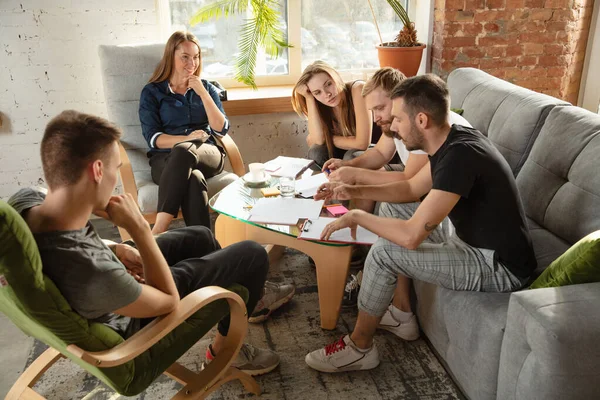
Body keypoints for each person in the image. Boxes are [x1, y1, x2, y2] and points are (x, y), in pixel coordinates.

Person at [9, 110, 281, 376]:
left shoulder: (26, 201)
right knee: (252, 254)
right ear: (98, 171)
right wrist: (139, 230)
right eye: (116, 168)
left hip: (103, 284)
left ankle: (241, 296)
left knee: (200, 235)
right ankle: (224, 348)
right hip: (135, 323)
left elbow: (72, 238)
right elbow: (168, 302)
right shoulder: (94, 273)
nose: (116, 179)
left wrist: (115, 247)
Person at [305, 74, 537, 373]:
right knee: (395, 207)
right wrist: (353, 192)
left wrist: (358, 215)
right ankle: (401, 315)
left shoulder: (460, 157)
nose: (391, 126)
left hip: (498, 267)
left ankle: (360, 347)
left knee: (385, 252)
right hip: (472, 243)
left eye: (398, 119)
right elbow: (410, 189)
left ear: (422, 120)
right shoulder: (449, 141)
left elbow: (412, 237)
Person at [319, 68, 472, 307]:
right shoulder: (395, 122)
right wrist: (348, 166)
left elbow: (410, 182)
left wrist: (355, 176)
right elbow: (380, 153)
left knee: (388, 203)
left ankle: (395, 299)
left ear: (399, 99)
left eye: (380, 108)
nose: (377, 118)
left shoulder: (426, 128)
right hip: (428, 191)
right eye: (373, 111)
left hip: (448, 210)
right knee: (362, 181)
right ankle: (359, 260)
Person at [139, 31, 228, 235]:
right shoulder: (152, 92)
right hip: (165, 160)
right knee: (193, 178)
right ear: (171, 56)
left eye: (196, 57)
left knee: (185, 152)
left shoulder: (206, 88)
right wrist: (186, 139)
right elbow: (154, 138)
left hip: (207, 153)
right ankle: (204, 246)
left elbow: (221, 129)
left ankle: (158, 231)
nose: (192, 63)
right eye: (185, 57)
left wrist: (203, 94)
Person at [291, 61, 380, 170]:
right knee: (316, 152)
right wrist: (309, 98)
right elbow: (318, 140)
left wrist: (328, 138)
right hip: (346, 149)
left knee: (351, 156)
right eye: (317, 92)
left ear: (336, 77)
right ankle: (333, 182)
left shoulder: (357, 89)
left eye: (328, 84)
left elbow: (362, 144)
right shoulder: (319, 104)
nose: (327, 94)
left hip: (378, 150)